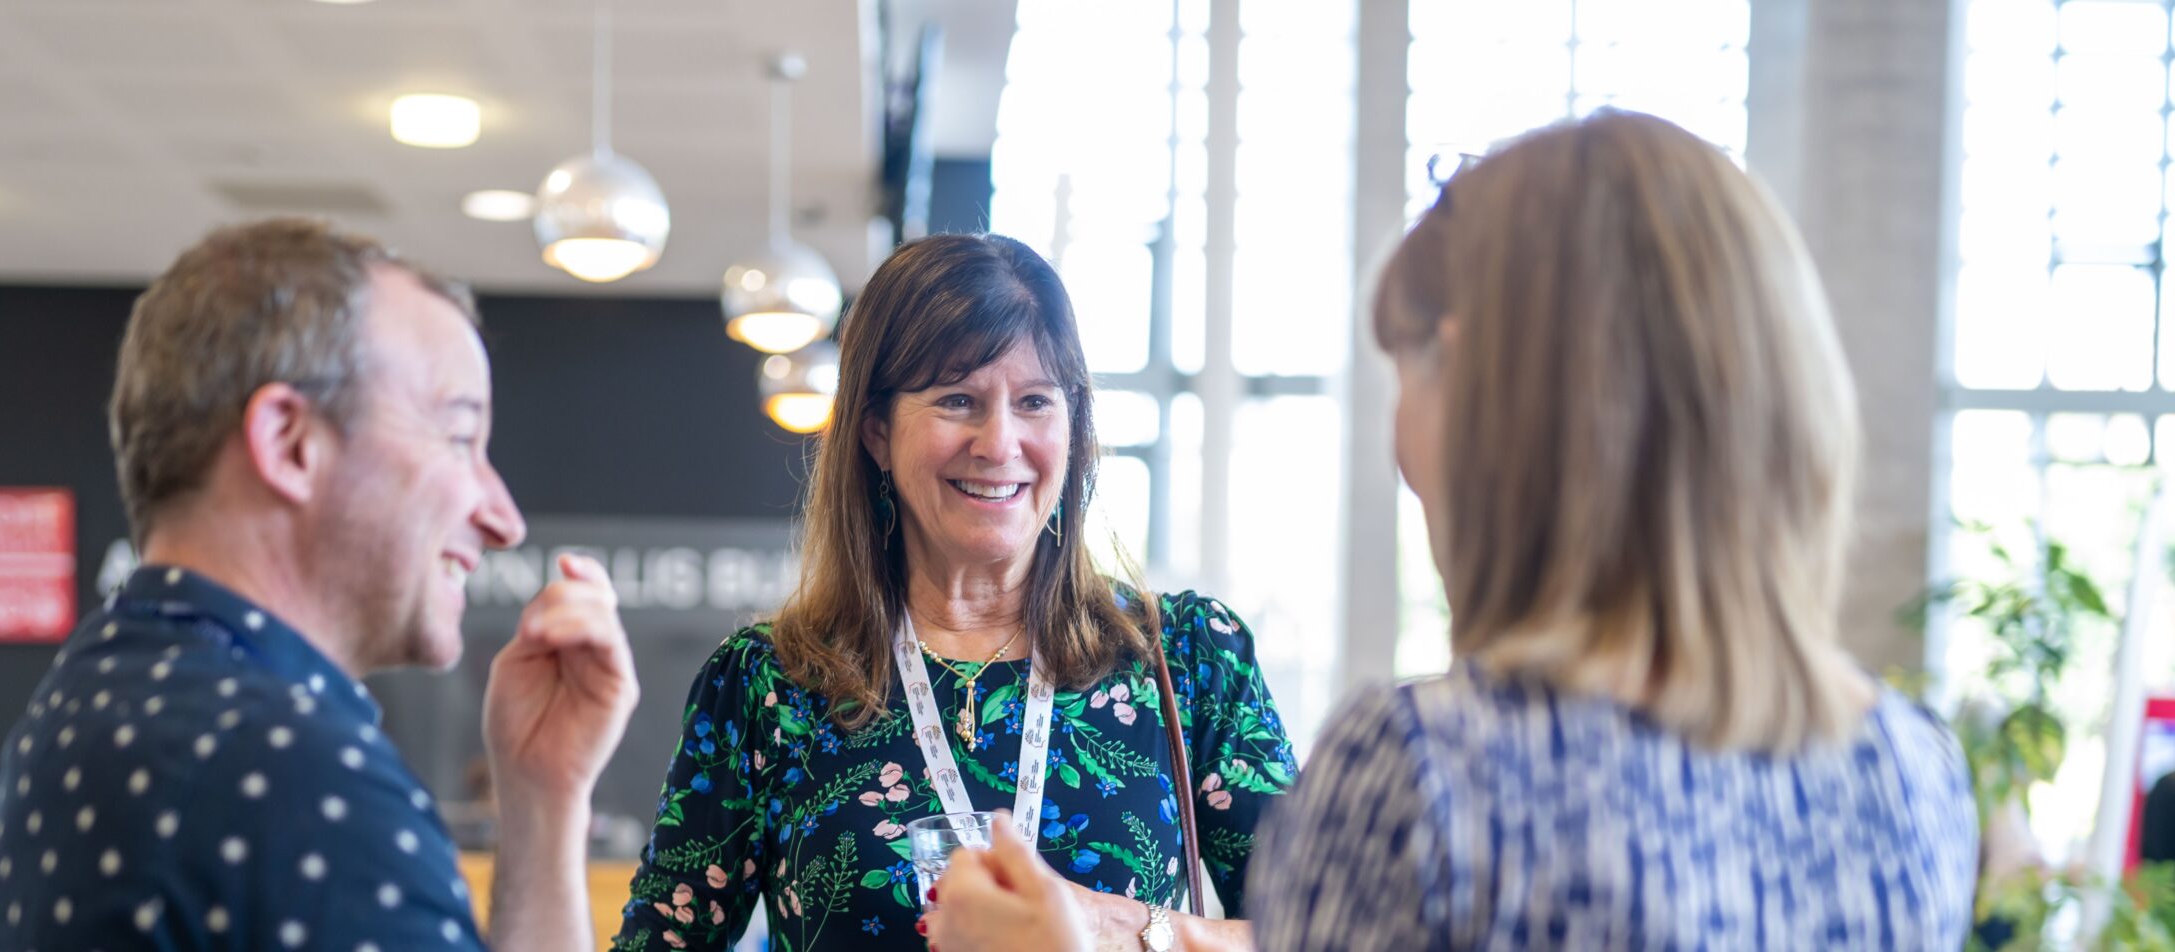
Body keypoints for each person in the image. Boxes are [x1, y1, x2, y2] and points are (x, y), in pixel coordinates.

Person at [927, 111, 1981, 951]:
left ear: (1488, 394)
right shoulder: (1914, 771)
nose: (1399, 440)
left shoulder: (1421, 776)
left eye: (1408, 372)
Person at [0, 218, 640, 951]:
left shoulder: (95, 692)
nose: (502, 516)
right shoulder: (294, 773)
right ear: (290, 443)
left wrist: (542, 797)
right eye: (457, 437)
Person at [611, 234, 1297, 952]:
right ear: (876, 430)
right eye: (958, 400)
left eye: (1035, 401)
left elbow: (1337, 931)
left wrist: (1122, 928)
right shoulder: (769, 685)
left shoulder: (1185, 660)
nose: (999, 443)